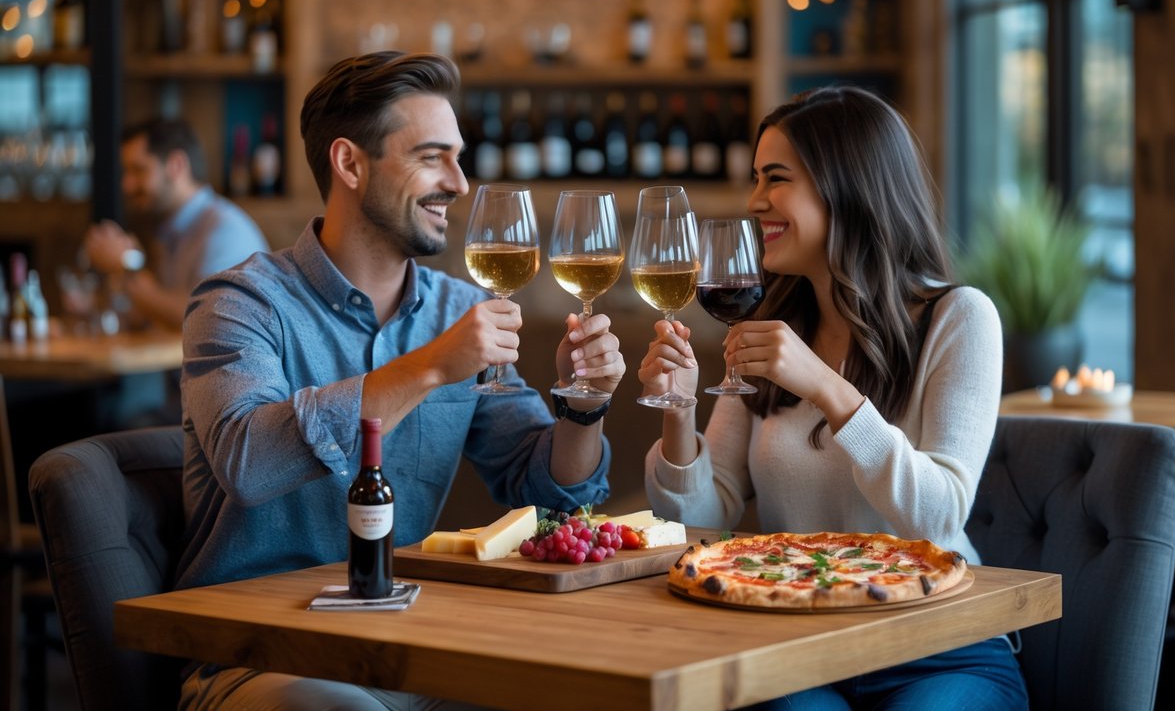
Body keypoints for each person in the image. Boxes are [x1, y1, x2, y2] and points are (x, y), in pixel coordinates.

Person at [176, 51, 625, 710]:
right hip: (258, 654)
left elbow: (549, 493)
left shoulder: (456, 311)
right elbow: (248, 460)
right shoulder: (239, 304)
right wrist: (431, 366)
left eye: (459, 157)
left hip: (412, 645)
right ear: (350, 164)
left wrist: (582, 404)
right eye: (432, 157)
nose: (460, 182)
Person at [638, 86, 1027, 709]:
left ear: (848, 185)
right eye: (757, 177)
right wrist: (679, 414)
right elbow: (709, 519)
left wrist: (824, 384)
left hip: (937, 643)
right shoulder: (769, 323)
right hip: (795, 646)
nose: (755, 200)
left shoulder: (959, 318)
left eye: (777, 178)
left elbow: (939, 517)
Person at [83, 117, 269, 330]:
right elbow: (153, 315)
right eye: (126, 172)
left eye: (138, 170)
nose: (127, 185)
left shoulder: (225, 231)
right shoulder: (171, 228)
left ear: (176, 165)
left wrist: (125, 266)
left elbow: (204, 319)